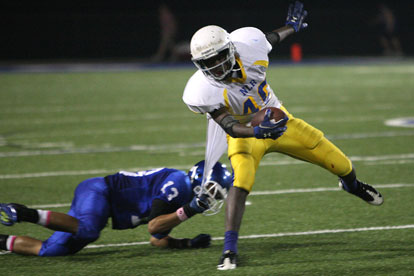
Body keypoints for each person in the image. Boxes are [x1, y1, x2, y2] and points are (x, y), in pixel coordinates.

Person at [182, 1, 384, 270]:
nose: (217, 66)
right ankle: (229, 249)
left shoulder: (249, 45)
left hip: (278, 117)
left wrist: (292, 27)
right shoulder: (201, 90)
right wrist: (256, 131)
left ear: (231, 49)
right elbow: (229, 126)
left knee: (341, 163)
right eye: (210, 62)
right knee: (240, 183)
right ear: (200, 65)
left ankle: (353, 186)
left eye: (220, 57)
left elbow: (270, 39)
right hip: (245, 133)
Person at [0, 161, 233, 256]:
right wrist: (189, 211)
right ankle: (22, 212)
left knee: (54, 250)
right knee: (90, 230)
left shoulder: (183, 199)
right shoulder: (179, 183)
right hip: (100, 192)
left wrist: (187, 243)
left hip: (100, 203)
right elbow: (153, 225)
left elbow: (157, 237)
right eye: (213, 191)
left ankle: (2, 241)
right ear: (201, 180)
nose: (213, 198)